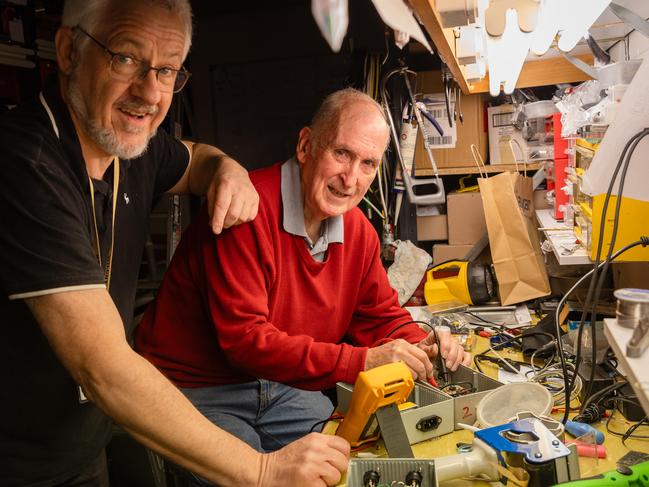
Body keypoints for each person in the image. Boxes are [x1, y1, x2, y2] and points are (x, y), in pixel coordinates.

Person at [0, 1, 350, 486]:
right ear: (67, 51)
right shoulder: (28, 162)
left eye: (166, 70)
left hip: (83, 442)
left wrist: (226, 168)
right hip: (19, 460)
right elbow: (103, 367)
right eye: (125, 58)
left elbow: (195, 159)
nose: (148, 92)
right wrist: (262, 470)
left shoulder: (129, 146)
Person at [135, 88, 471, 462]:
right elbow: (246, 343)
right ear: (306, 145)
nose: (350, 179)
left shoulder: (358, 231)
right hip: (193, 386)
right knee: (255, 477)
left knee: (350, 460)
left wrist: (423, 343)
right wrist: (364, 361)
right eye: (341, 153)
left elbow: (379, 316)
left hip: (278, 386)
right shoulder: (247, 212)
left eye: (367, 164)